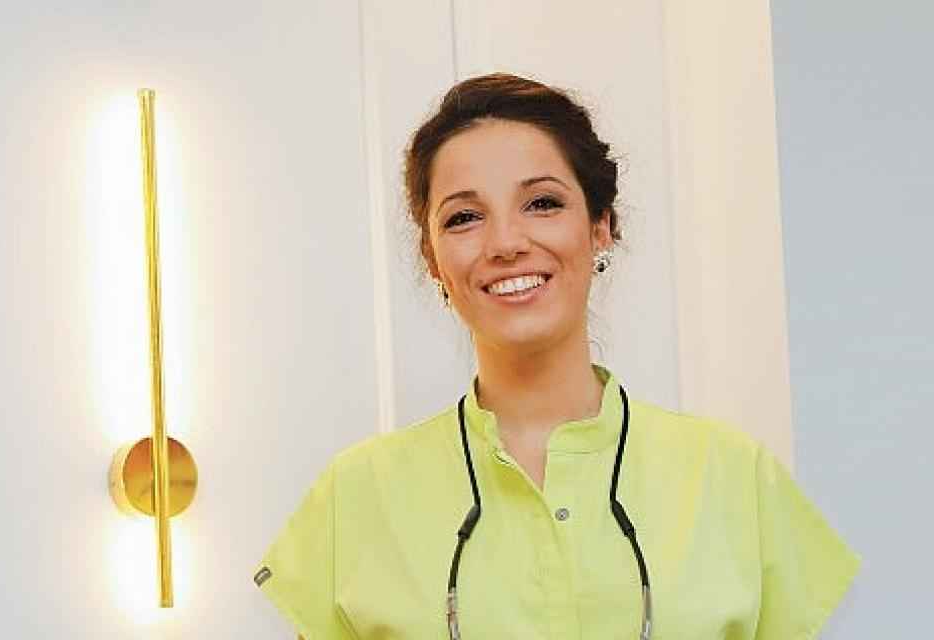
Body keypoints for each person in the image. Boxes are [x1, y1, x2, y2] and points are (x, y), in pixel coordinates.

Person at [254, 72, 860, 639]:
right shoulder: (353, 496)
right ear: (433, 259)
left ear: (600, 226)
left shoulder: (735, 476)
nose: (506, 243)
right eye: (464, 217)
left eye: (542, 203)